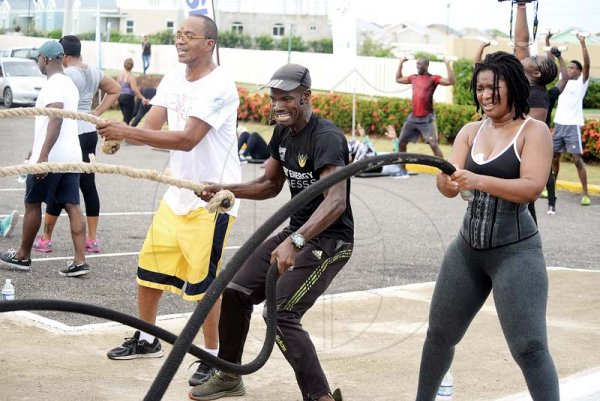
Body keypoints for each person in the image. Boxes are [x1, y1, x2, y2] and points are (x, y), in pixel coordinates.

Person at [190, 63, 351, 401]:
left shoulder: (327, 138)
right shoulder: (283, 132)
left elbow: (335, 202)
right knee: (233, 289)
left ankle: (319, 397)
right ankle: (229, 375)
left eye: (287, 98)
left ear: (306, 97)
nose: (278, 106)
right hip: (298, 232)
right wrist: (225, 189)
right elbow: (269, 184)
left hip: (330, 239)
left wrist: (296, 240)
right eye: (275, 98)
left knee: (282, 312)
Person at [97, 15, 241, 387]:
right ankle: (147, 338)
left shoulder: (220, 85)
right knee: (149, 269)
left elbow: (188, 138)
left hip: (212, 197)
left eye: (189, 36)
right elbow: (152, 126)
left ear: (209, 43)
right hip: (177, 193)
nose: (180, 41)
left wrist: (126, 130)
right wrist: (122, 138)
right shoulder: (174, 77)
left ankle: (213, 356)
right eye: (178, 35)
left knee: (205, 283)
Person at [415, 51, 559, 401]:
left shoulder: (533, 131)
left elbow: (531, 188)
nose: (486, 95)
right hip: (467, 250)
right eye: (480, 88)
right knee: (439, 336)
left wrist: (477, 180)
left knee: (530, 348)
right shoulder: (470, 131)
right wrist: (446, 184)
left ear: (515, 87)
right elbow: (447, 181)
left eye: (496, 87)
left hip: (516, 252)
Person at [0, 40, 89, 277]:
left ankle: (22, 256)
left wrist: (43, 155)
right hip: (70, 156)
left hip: (51, 158)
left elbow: (56, 117)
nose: (38, 62)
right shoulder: (69, 84)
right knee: (72, 206)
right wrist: (35, 147)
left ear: (46, 60)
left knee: (32, 204)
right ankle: (80, 261)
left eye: (39, 58)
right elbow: (50, 121)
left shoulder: (53, 85)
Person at [31, 35, 121, 254]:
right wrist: (96, 113)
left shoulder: (66, 74)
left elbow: (58, 111)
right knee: (88, 186)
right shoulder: (91, 70)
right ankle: (92, 239)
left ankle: (46, 238)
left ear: (65, 55)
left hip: (71, 133)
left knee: (59, 184)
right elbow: (115, 88)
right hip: (89, 131)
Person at [393, 55, 455, 178]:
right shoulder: (413, 78)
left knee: (433, 144)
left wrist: (447, 64)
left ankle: (445, 171)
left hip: (427, 118)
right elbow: (398, 79)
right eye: (417, 64)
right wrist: (401, 62)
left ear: (426, 65)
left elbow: (450, 82)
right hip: (413, 117)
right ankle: (402, 170)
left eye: (420, 64)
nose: (418, 66)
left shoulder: (433, 78)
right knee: (401, 143)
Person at [552, 33, 592, 206]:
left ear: (578, 71)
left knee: (577, 160)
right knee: (554, 158)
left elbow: (588, 65)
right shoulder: (564, 80)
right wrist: (549, 43)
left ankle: (585, 193)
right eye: (568, 68)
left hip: (573, 126)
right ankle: (551, 189)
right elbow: (558, 62)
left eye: (572, 68)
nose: (569, 70)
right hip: (559, 124)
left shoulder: (581, 82)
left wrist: (582, 43)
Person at [542, 33, 569, 215]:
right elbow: (560, 76)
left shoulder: (547, 94)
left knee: (547, 171)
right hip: (533, 136)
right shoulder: (545, 93)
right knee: (546, 171)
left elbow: (561, 76)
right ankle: (551, 204)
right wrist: (555, 53)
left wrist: (557, 56)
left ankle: (551, 203)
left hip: (538, 137)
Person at [117, 58, 147, 125]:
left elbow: (117, 87)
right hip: (128, 98)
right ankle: (123, 133)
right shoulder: (131, 76)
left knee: (126, 117)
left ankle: (123, 131)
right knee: (127, 119)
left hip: (120, 97)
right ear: (132, 66)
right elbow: (134, 89)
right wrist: (143, 98)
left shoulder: (119, 75)